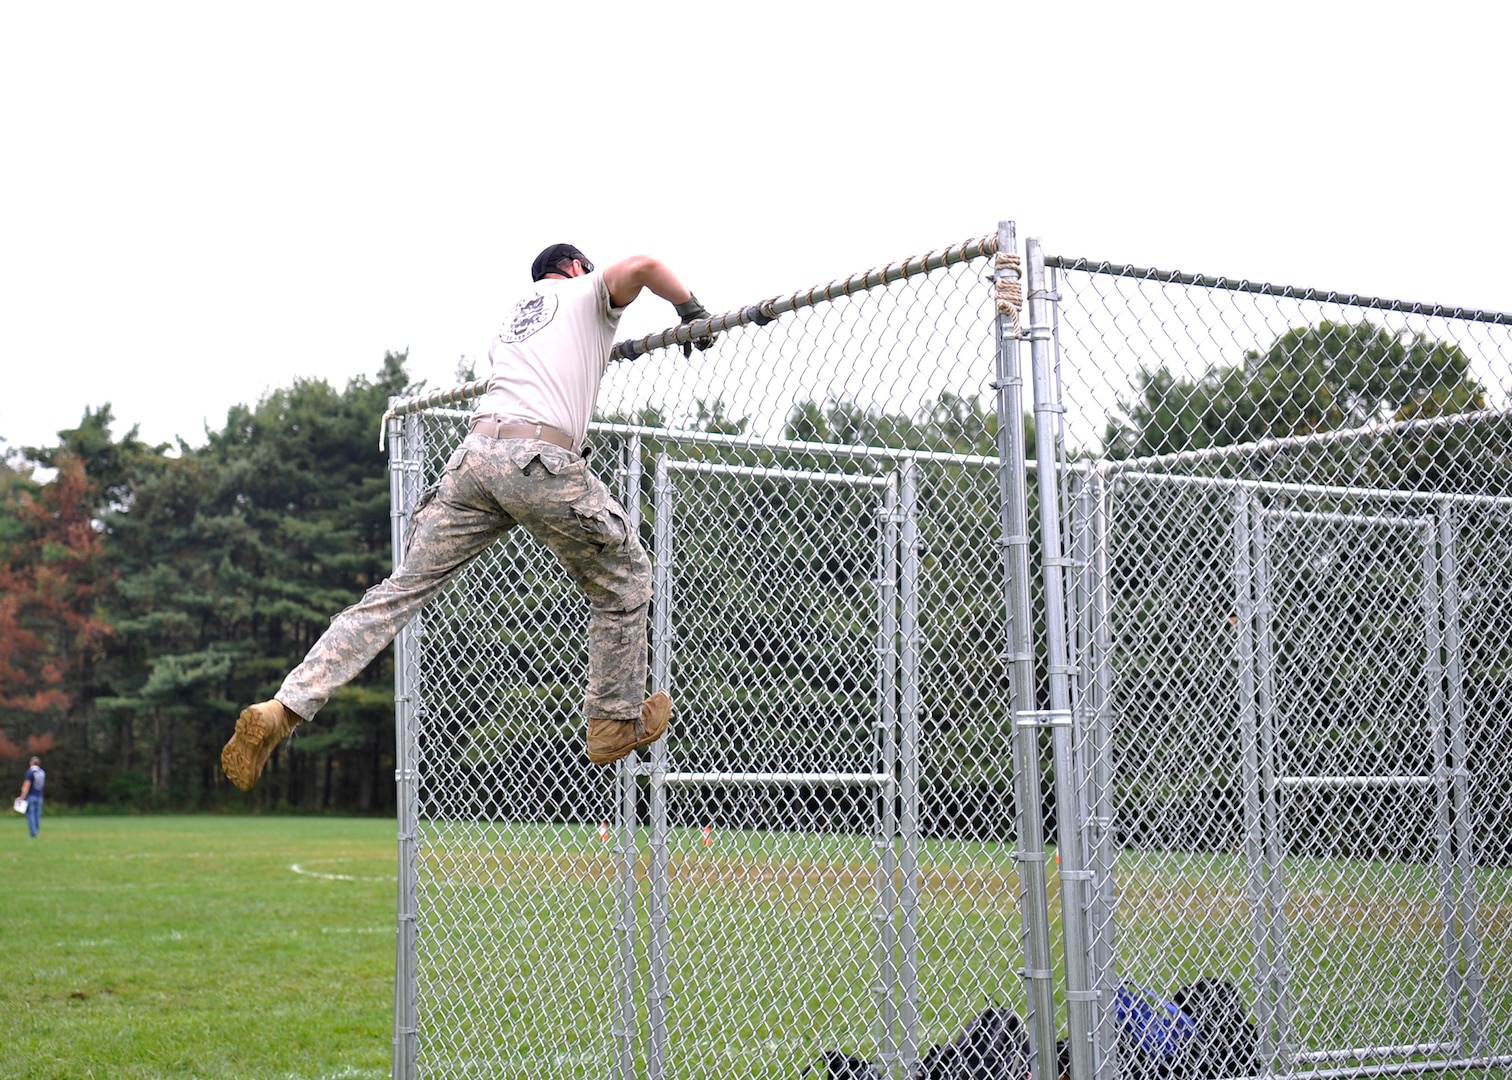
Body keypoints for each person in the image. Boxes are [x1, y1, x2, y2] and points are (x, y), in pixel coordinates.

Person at [221, 243, 717, 792]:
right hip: (537, 459)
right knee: (626, 577)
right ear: (575, 267)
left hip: (472, 461)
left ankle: (283, 708)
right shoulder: (586, 291)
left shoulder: (514, 319)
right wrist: (692, 312)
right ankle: (612, 722)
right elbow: (645, 267)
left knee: (397, 593)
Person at [19, 756, 44, 838]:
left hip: (31, 796)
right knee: (37, 815)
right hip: (39, 796)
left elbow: (26, 786)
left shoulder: (30, 772)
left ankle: (33, 833)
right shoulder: (42, 773)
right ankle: (36, 831)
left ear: (31, 763)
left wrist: (22, 797)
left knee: (31, 815)